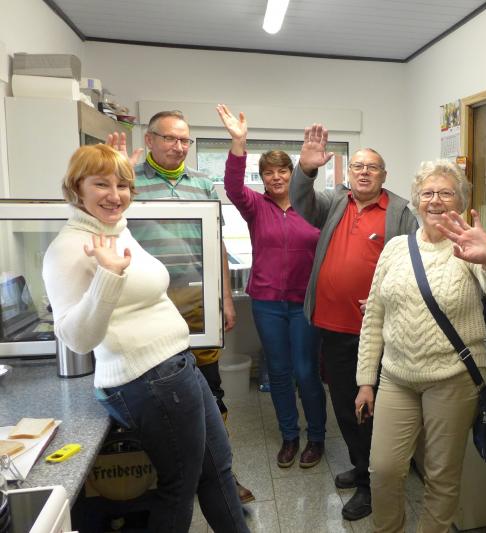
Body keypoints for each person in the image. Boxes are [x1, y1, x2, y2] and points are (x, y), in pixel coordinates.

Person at [42, 144, 249, 532]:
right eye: (101, 184)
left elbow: (117, 212)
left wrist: (121, 171)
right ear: (76, 187)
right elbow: (77, 339)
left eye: (122, 186)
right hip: (148, 380)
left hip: (176, 367)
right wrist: (108, 277)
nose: (115, 195)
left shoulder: (113, 228)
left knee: (218, 468)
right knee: (180, 486)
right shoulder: (67, 249)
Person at [355, 160, 486, 532]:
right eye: (427, 193)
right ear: (416, 201)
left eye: (446, 193)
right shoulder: (395, 249)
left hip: (453, 377)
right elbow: (374, 315)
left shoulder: (466, 247)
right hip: (397, 377)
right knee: (383, 469)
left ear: (460, 201)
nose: (436, 200)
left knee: (441, 476)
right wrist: (366, 380)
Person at [112, 110, 254, 503]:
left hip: (197, 307)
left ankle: (221, 473)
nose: (179, 147)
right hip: (146, 308)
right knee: (157, 393)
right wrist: (116, 175)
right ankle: (171, 478)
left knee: (209, 391)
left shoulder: (203, 184)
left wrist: (225, 298)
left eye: (184, 140)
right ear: (150, 139)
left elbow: (216, 243)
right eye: (170, 138)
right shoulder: (129, 181)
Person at [289, 124, 418, 520]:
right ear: (349, 173)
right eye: (358, 166)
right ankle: (363, 468)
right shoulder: (334, 203)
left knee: (369, 410)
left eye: (372, 167)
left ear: (384, 175)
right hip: (332, 326)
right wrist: (305, 170)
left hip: (374, 333)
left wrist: (388, 298)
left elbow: (415, 270)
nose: (364, 172)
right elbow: (300, 202)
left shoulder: (400, 214)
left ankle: (371, 486)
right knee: (345, 408)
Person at [216, 104, 327, 469]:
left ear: (293, 174)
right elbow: (232, 186)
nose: (276, 177)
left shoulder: (312, 206)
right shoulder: (254, 206)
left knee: (306, 371)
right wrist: (238, 143)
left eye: (283, 170)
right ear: (262, 177)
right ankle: (289, 436)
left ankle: (316, 437)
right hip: (266, 302)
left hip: (305, 303)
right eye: (269, 172)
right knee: (279, 371)